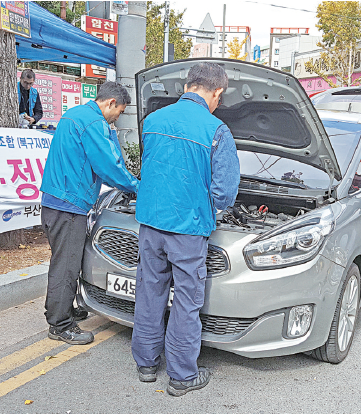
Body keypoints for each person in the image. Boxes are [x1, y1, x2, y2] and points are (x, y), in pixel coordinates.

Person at [132, 62, 240, 396]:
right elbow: (225, 193)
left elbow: (151, 165)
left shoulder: (152, 120)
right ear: (217, 92)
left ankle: (146, 363)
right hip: (188, 229)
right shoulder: (216, 130)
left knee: (150, 291)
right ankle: (181, 376)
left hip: (150, 223)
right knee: (186, 301)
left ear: (188, 84)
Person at [40, 81, 139, 345]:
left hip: (54, 201)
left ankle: (62, 309)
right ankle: (60, 325)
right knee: (66, 265)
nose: (118, 117)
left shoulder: (73, 115)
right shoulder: (95, 124)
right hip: (69, 205)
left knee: (64, 260)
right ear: (110, 103)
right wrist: (137, 187)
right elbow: (109, 166)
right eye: (119, 112)